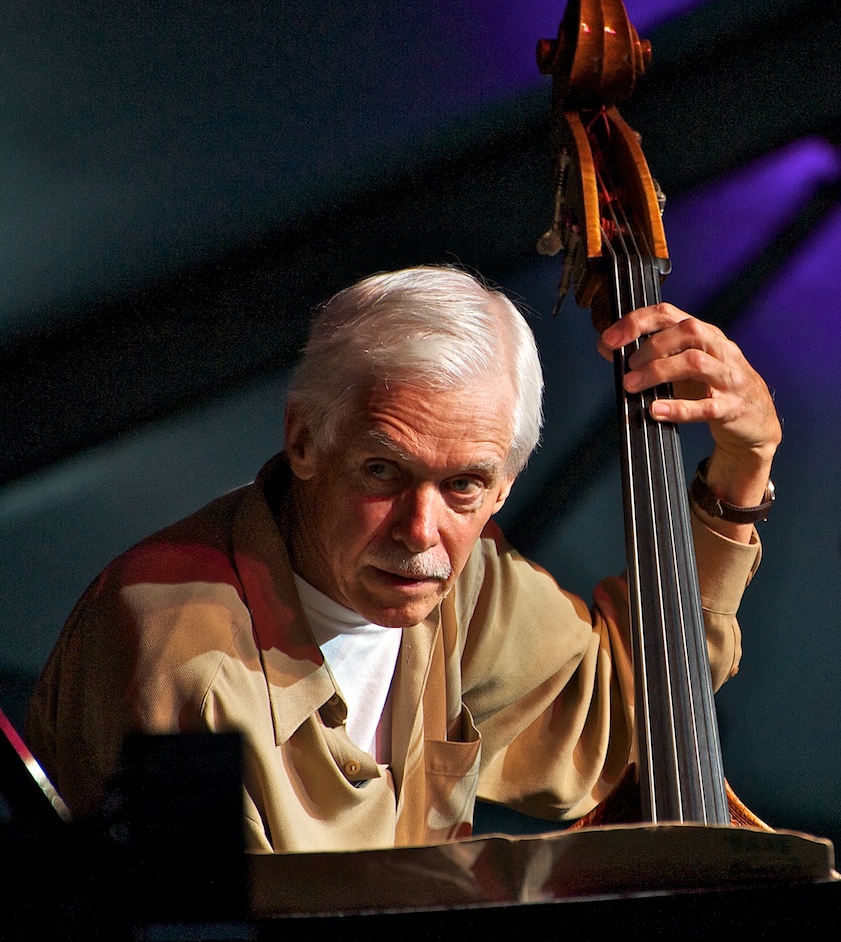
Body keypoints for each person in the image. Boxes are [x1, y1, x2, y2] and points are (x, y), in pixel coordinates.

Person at [25, 266, 781, 853]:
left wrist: (743, 467)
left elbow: (626, 721)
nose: (420, 533)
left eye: (463, 486)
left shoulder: (469, 580)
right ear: (303, 441)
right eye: (383, 472)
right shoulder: (176, 656)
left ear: (504, 487)